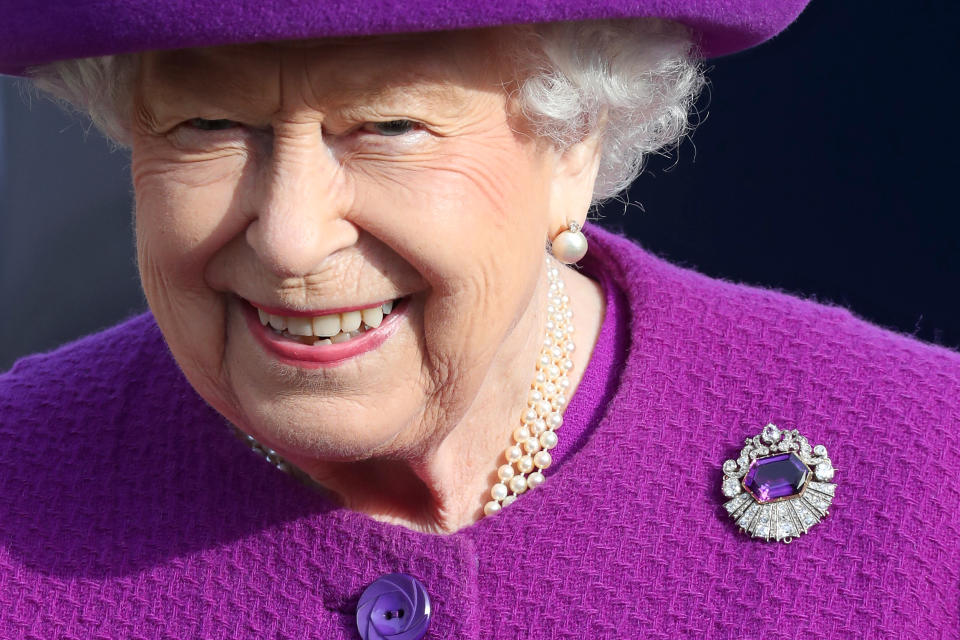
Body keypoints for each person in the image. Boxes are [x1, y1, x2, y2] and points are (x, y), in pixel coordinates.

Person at [1, 1, 957, 638]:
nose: (289, 237)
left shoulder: (921, 478)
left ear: (574, 140)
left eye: (386, 127)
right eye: (207, 126)